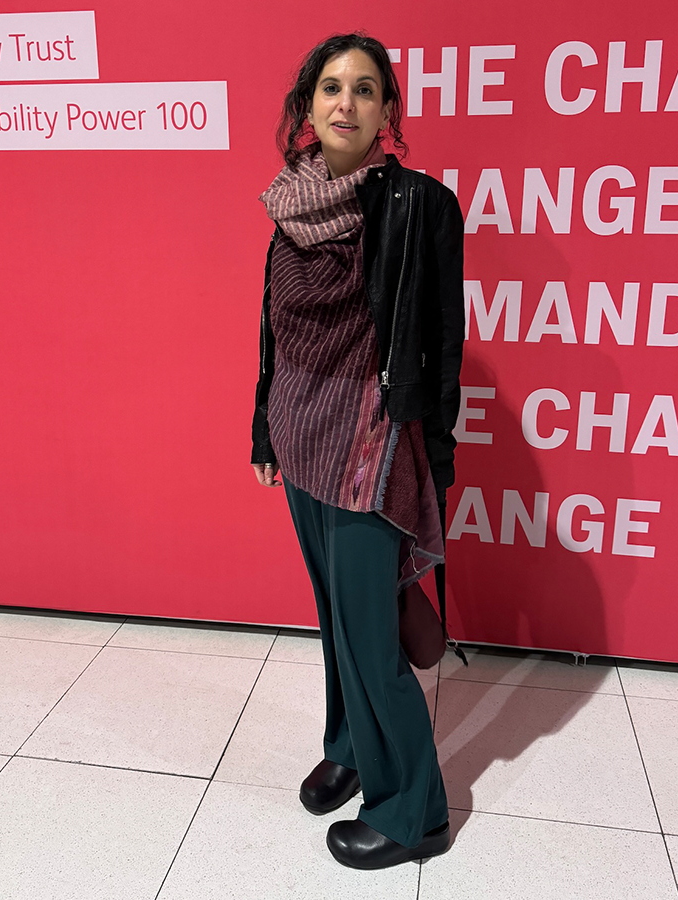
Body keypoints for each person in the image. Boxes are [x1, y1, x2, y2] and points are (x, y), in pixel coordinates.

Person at [250, 32, 465, 870]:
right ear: (308, 106)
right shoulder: (286, 205)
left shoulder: (420, 206)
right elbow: (274, 329)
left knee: (374, 635)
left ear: (388, 111)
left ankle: (415, 811)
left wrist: (436, 457)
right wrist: (263, 423)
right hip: (302, 437)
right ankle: (350, 746)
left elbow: (443, 343)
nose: (346, 102)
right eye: (331, 87)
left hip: (371, 446)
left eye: (365, 89)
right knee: (334, 619)